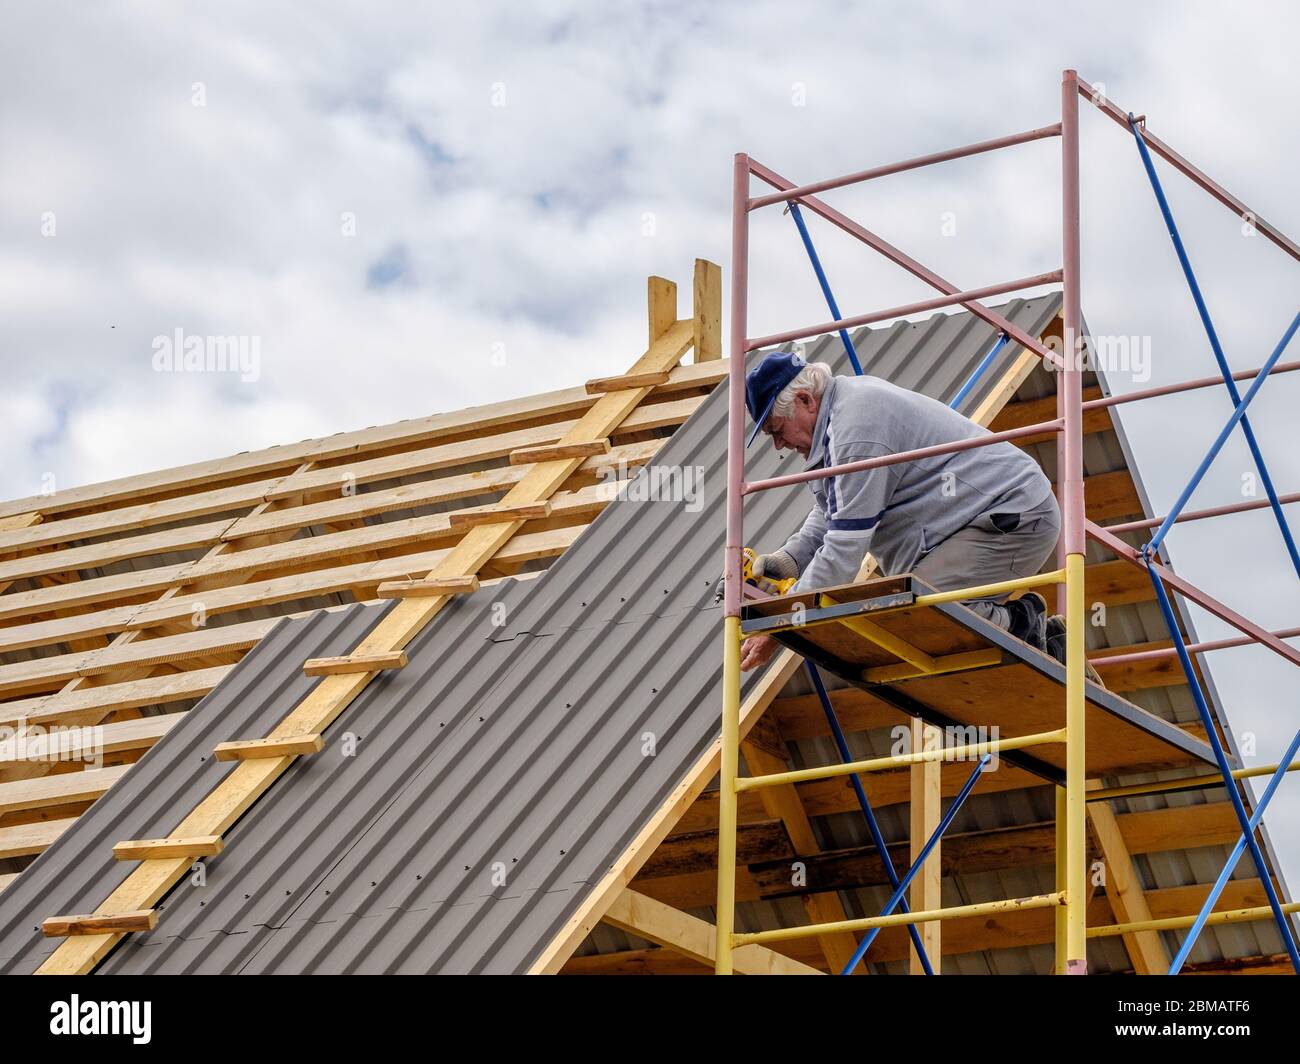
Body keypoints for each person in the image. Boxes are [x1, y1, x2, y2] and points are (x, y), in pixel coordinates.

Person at [738, 351, 1084, 677]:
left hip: (1011, 515)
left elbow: (844, 549)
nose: (779, 445)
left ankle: (1032, 630)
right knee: (910, 610)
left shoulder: (857, 431)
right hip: (980, 519)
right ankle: (1033, 633)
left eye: (777, 430)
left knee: (921, 608)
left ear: (805, 400)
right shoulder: (837, 420)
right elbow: (832, 509)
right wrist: (790, 559)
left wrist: (780, 626)